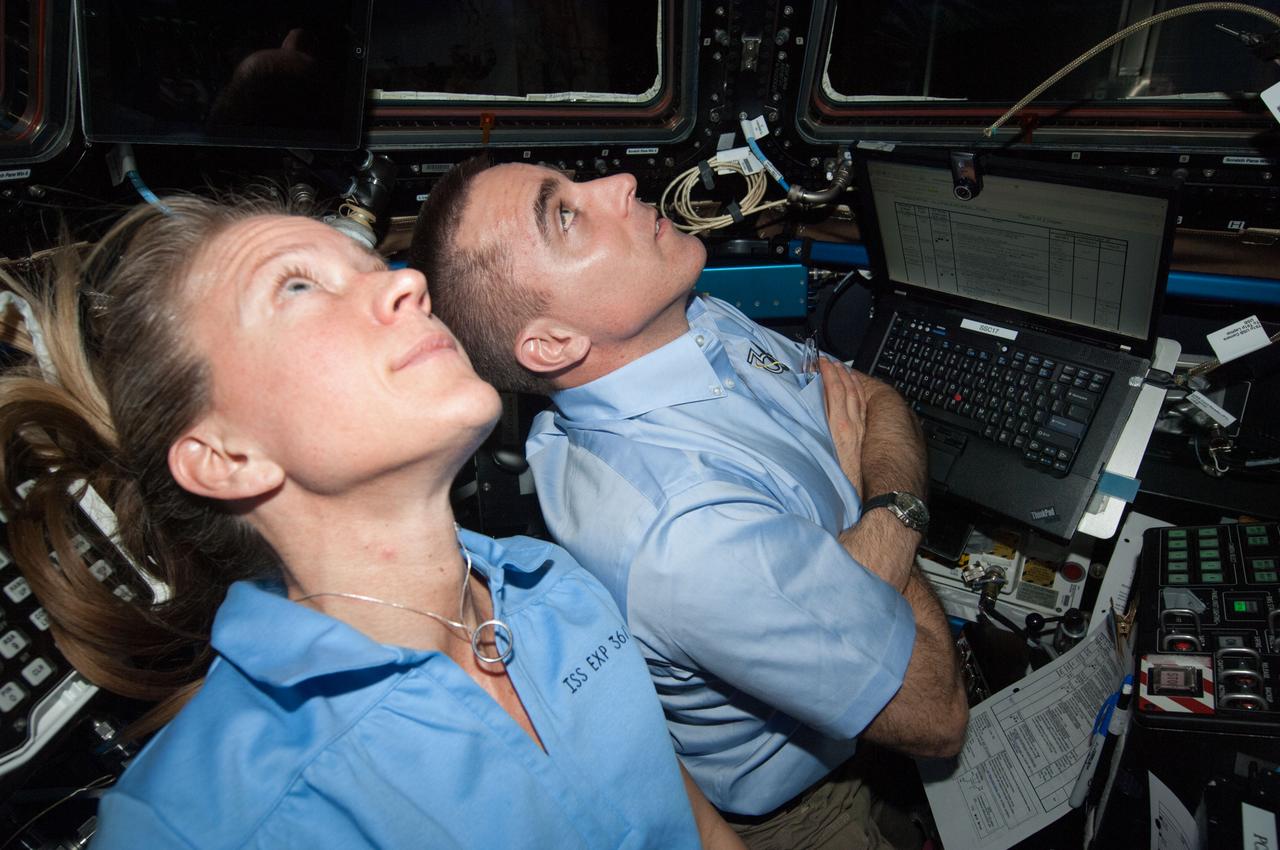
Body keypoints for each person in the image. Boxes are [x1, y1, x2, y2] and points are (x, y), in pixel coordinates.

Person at [0, 195, 746, 849]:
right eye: (295, 285)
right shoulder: (196, 825)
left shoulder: (556, 588)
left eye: (374, 265)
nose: (407, 281)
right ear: (228, 458)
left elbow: (700, 830)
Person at [411, 155, 970, 849]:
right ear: (554, 343)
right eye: (563, 215)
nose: (617, 186)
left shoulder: (683, 319)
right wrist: (878, 500)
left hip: (860, 731)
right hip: (810, 811)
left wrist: (859, 557)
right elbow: (939, 715)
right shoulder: (681, 537)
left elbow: (871, 395)